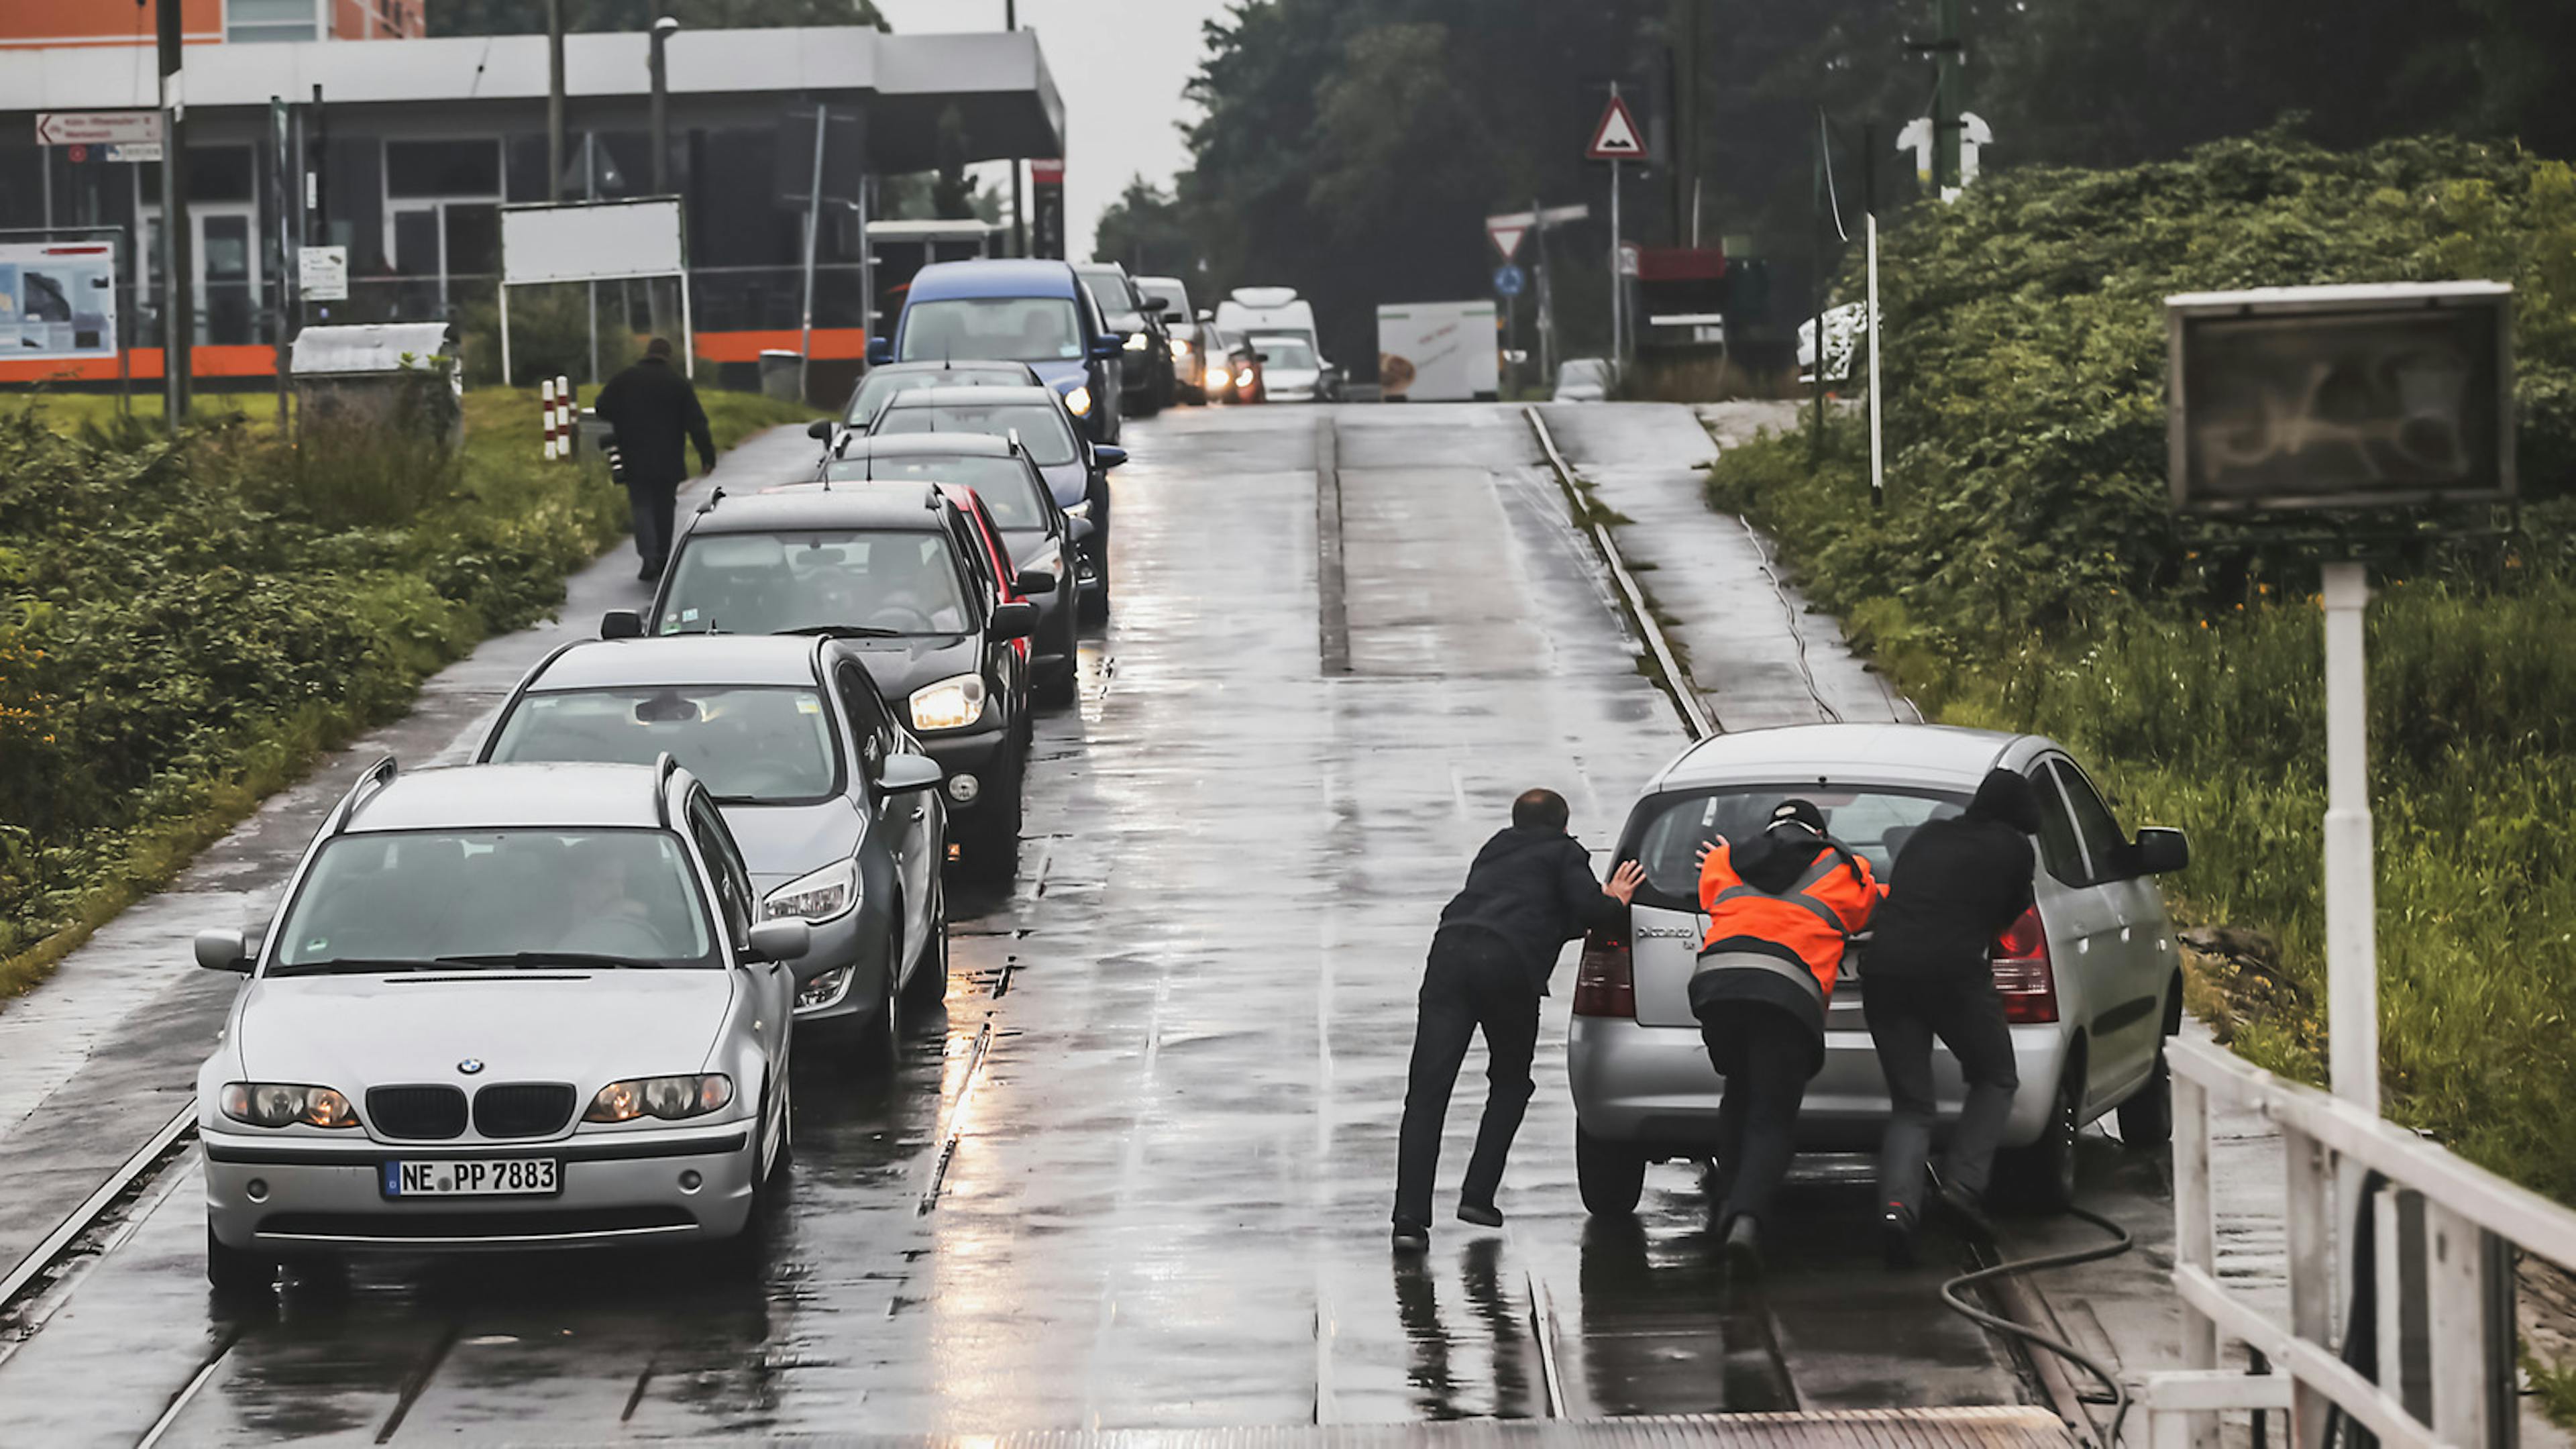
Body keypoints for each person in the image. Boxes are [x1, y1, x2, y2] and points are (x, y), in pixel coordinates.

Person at [1393, 788, 1645, 1252]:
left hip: (1449, 953)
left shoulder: (1495, 849)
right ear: (1564, 825)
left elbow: (1536, 912)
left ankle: (1409, 1221)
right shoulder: (1563, 852)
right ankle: (1478, 1195)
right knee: (1510, 1083)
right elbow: (1588, 911)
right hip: (1507, 965)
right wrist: (1616, 899)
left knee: (1427, 1093)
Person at [1690, 798, 1881, 1276]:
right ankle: (1745, 1220)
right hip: (1784, 993)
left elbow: (1710, 893)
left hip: (1717, 986)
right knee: (1772, 1116)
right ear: (1819, 834)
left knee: (1739, 1092)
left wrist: (1725, 855)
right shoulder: (1844, 867)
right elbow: (1870, 908)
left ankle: (1724, 1208)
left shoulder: (1724, 858)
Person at [1864, 768, 2043, 1266]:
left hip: (1885, 973)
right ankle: (1962, 1186)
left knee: (1912, 1105)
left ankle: (1897, 1212)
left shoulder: (1927, 835)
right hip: (1953, 976)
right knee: (1995, 1076)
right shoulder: (2013, 849)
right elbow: (2009, 918)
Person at [592, 337, 716, 581]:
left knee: (641, 506)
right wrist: (707, 456)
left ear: (647, 353)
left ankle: (648, 558)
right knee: (664, 505)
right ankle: (662, 557)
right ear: (668, 356)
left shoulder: (625, 379)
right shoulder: (678, 384)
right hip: (668, 457)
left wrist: (624, 417)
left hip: (633, 454)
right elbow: (697, 424)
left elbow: (601, 407)